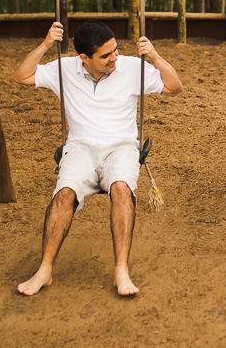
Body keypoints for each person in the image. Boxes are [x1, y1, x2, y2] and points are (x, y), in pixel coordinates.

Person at [11, 20, 184, 296]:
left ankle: (121, 270)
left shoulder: (130, 67)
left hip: (122, 146)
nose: (115, 57)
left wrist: (153, 56)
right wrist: (46, 44)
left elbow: (175, 86)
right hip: (80, 146)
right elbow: (20, 76)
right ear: (84, 58)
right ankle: (45, 270)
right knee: (64, 193)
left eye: (115, 50)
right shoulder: (64, 68)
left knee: (121, 189)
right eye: (106, 55)